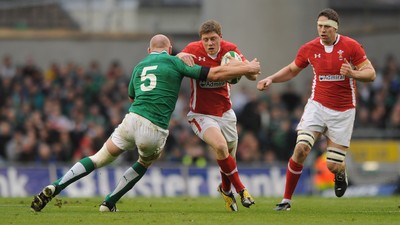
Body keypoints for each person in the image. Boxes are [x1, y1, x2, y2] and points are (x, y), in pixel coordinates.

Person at [30, 34, 261, 212]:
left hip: (132, 119)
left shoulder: (139, 67)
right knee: (145, 161)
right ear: (170, 50)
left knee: (98, 158)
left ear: (149, 50)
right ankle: (109, 202)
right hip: (154, 128)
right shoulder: (175, 62)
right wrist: (246, 67)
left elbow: (132, 95)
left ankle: (56, 186)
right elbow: (212, 75)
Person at [257, 8, 376, 211]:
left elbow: (371, 74)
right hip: (317, 106)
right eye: (319, 26)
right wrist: (271, 78)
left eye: (327, 27)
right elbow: (292, 69)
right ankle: (286, 200)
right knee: (301, 148)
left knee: (332, 165)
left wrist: (353, 74)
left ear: (335, 28)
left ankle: (340, 172)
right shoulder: (309, 48)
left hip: (343, 111)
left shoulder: (351, 46)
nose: (322, 30)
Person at [177, 20, 257, 212]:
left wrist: (246, 67)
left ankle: (225, 190)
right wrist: (180, 55)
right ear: (201, 40)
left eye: (213, 39)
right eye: (206, 39)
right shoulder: (193, 50)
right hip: (200, 114)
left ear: (220, 38)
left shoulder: (230, 50)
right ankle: (242, 190)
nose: (209, 43)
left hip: (226, 113)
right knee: (220, 147)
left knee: (228, 158)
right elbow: (178, 58)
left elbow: (253, 76)